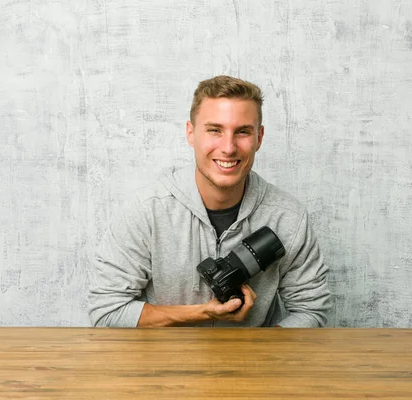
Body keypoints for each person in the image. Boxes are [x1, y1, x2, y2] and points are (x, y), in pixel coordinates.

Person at [88, 75, 331, 328]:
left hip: (255, 365)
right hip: (162, 365)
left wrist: (258, 357)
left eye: (243, 132)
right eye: (215, 130)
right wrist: (203, 312)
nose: (228, 147)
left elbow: (311, 311)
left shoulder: (287, 217)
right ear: (191, 134)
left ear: (259, 137)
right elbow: (107, 313)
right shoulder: (146, 212)